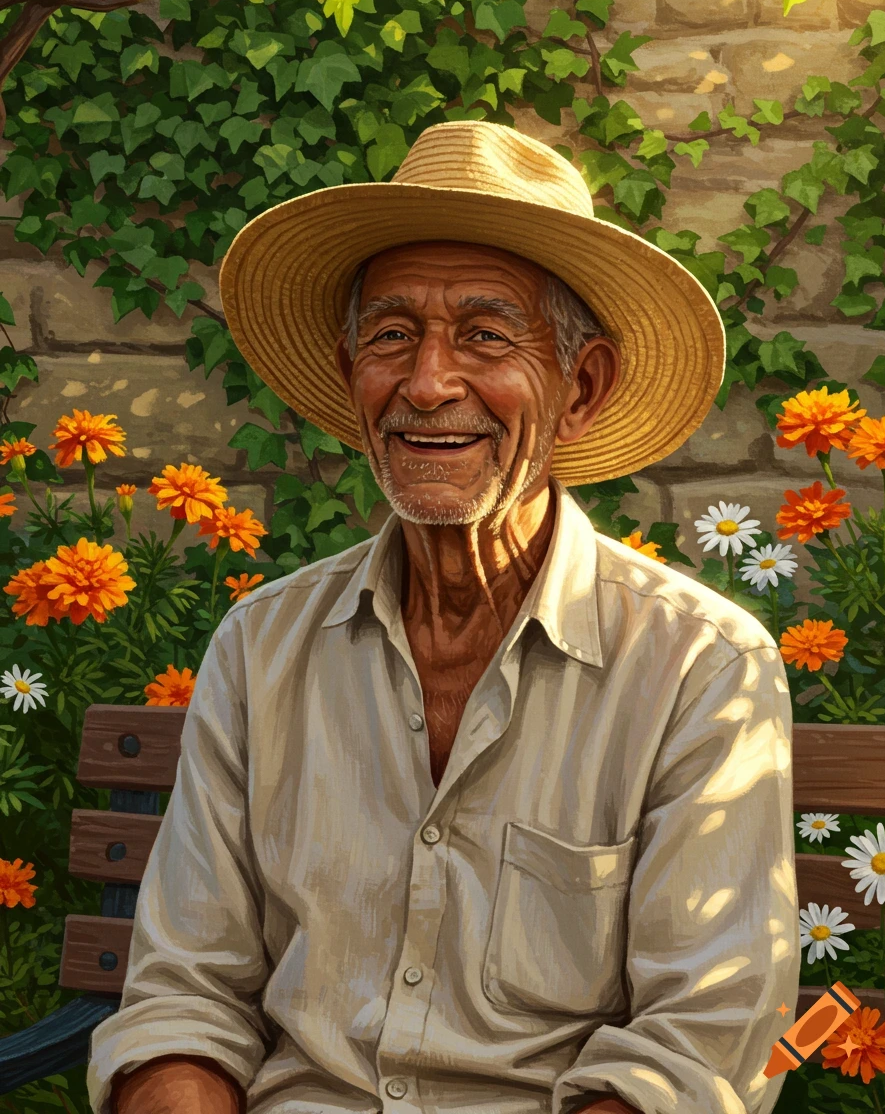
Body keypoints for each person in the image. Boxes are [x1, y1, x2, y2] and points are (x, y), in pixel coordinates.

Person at [87, 122, 799, 1114]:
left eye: (485, 334)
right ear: (350, 375)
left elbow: (690, 1053)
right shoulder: (263, 649)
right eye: (389, 335)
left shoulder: (697, 665)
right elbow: (185, 995)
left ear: (579, 386)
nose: (426, 383)